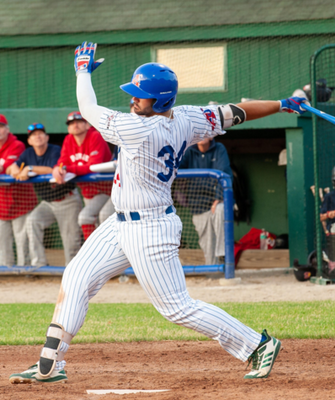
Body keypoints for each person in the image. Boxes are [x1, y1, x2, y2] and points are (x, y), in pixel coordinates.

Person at [9, 41, 308, 384]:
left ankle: (257, 344)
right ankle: (50, 363)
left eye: (141, 95)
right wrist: (282, 104)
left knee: (176, 307)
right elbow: (236, 111)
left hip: (150, 228)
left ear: (161, 100)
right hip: (119, 222)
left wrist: (81, 70)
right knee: (76, 277)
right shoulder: (187, 117)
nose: (133, 99)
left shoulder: (140, 128)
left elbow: (87, 106)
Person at [8, 123, 82, 267]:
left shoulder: (55, 150)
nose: (38, 136)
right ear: (29, 140)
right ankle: (39, 265)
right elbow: (12, 166)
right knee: (32, 222)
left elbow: (51, 169)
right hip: (47, 203)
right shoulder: (28, 153)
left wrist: (29, 168)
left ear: (47, 137)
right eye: (33, 134)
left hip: (67, 200)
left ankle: (73, 270)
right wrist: (16, 170)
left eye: (40, 133)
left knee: (70, 240)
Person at [52, 111, 112, 240]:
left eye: (79, 121)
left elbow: (93, 167)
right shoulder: (68, 140)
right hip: (89, 192)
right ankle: (95, 253)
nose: (76, 125)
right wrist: (58, 168)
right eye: (72, 123)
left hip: (109, 190)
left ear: (87, 125)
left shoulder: (95, 136)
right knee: (90, 221)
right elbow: (63, 161)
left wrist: (67, 168)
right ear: (68, 128)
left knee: (102, 217)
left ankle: (106, 253)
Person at [179, 137, 233, 264]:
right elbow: (175, 166)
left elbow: (225, 173)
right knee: (208, 249)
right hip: (198, 206)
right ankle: (213, 273)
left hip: (215, 203)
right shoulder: (189, 151)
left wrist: (219, 198)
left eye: (205, 132)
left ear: (212, 135)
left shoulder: (219, 148)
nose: (202, 135)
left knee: (221, 209)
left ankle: (223, 254)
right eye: (199, 132)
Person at [0, 115, 37, 266]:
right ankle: (6, 272)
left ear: (7, 129)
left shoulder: (16, 145)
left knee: (22, 242)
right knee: (3, 243)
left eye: (1, 126)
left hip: (20, 203)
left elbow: (7, 168)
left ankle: (25, 272)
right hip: (1, 205)